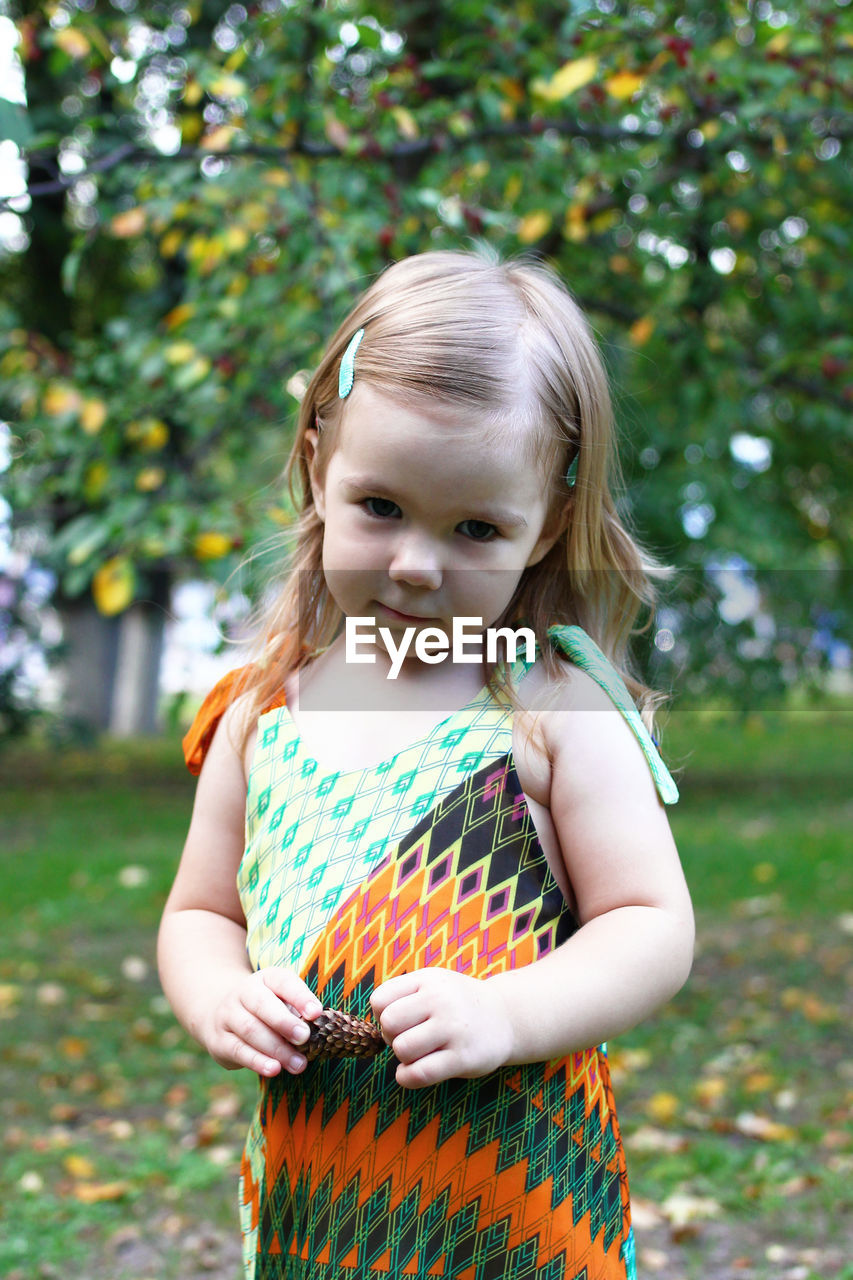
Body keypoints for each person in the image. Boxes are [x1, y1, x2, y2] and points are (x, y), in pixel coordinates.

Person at [158, 249, 694, 1280]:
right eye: (380, 507)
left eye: (476, 528)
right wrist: (220, 995)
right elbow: (199, 913)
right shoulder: (261, 715)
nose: (415, 561)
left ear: (544, 532)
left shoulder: (548, 713)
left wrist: (507, 1012)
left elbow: (651, 924)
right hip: (325, 1198)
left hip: (516, 1211)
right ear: (320, 466)